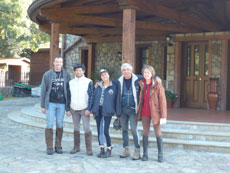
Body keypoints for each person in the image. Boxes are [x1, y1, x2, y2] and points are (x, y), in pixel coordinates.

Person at [40, 55, 71, 155]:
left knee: (59, 123)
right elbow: (43, 91)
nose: (58, 64)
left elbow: (68, 91)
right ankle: (49, 147)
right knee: (49, 123)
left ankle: (58, 146)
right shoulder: (47, 74)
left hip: (62, 103)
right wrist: (42, 105)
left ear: (62, 63)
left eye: (60, 62)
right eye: (57, 62)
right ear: (54, 63)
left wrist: (68, 107)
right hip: (50, 103)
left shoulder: (66, 74)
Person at [137, 65, 167, 162]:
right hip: (145, 112)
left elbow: (163, 101)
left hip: (155, 113)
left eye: (148, 72)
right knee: (145, 132)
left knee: (157, 133)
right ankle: (145, 154)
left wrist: (163, 116)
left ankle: (160, 155)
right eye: (145, 72)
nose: (146, 74)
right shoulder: (141, 83)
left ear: (152, 73)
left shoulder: (157, 84)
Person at [115, 63, 143, 160]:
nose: (126, 71)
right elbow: (108, 85)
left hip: (133, 110)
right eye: (124, 70)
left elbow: (149, 78)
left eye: (128, 69)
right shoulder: (118, 81)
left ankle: (137, 150)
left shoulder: (138, 79)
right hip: (122, 110)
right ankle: (126, 150)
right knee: (124, 130)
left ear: (131, 70)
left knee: (134, 130)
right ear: (122, 71)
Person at [68, 64, 94, 155]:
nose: (78, 72)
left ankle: (89, 149)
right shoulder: (71, 82)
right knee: (76, 128)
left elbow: (91, 96)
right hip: (74, 108)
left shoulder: (88, 81)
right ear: (74, 71)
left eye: (80, 70)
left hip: (84, 108)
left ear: (83, 71)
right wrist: (68, 109)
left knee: (86, 128)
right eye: (76, 70)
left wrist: (89, 108)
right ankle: (76, 147)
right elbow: (68, 96)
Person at [92, 69, 118, 158]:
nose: (104, 76)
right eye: (102, 75)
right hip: (98, 109)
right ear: (101, 77)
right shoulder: (98, 86)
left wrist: (116, 111)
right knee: (100, 130)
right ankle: (101, 148)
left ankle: (109, 148)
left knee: (105, 130)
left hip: (108, 110)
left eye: (106, 74)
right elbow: (94, 98)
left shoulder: (113, 86)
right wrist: (93, 110)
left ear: (108, 75)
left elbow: (116, 100)